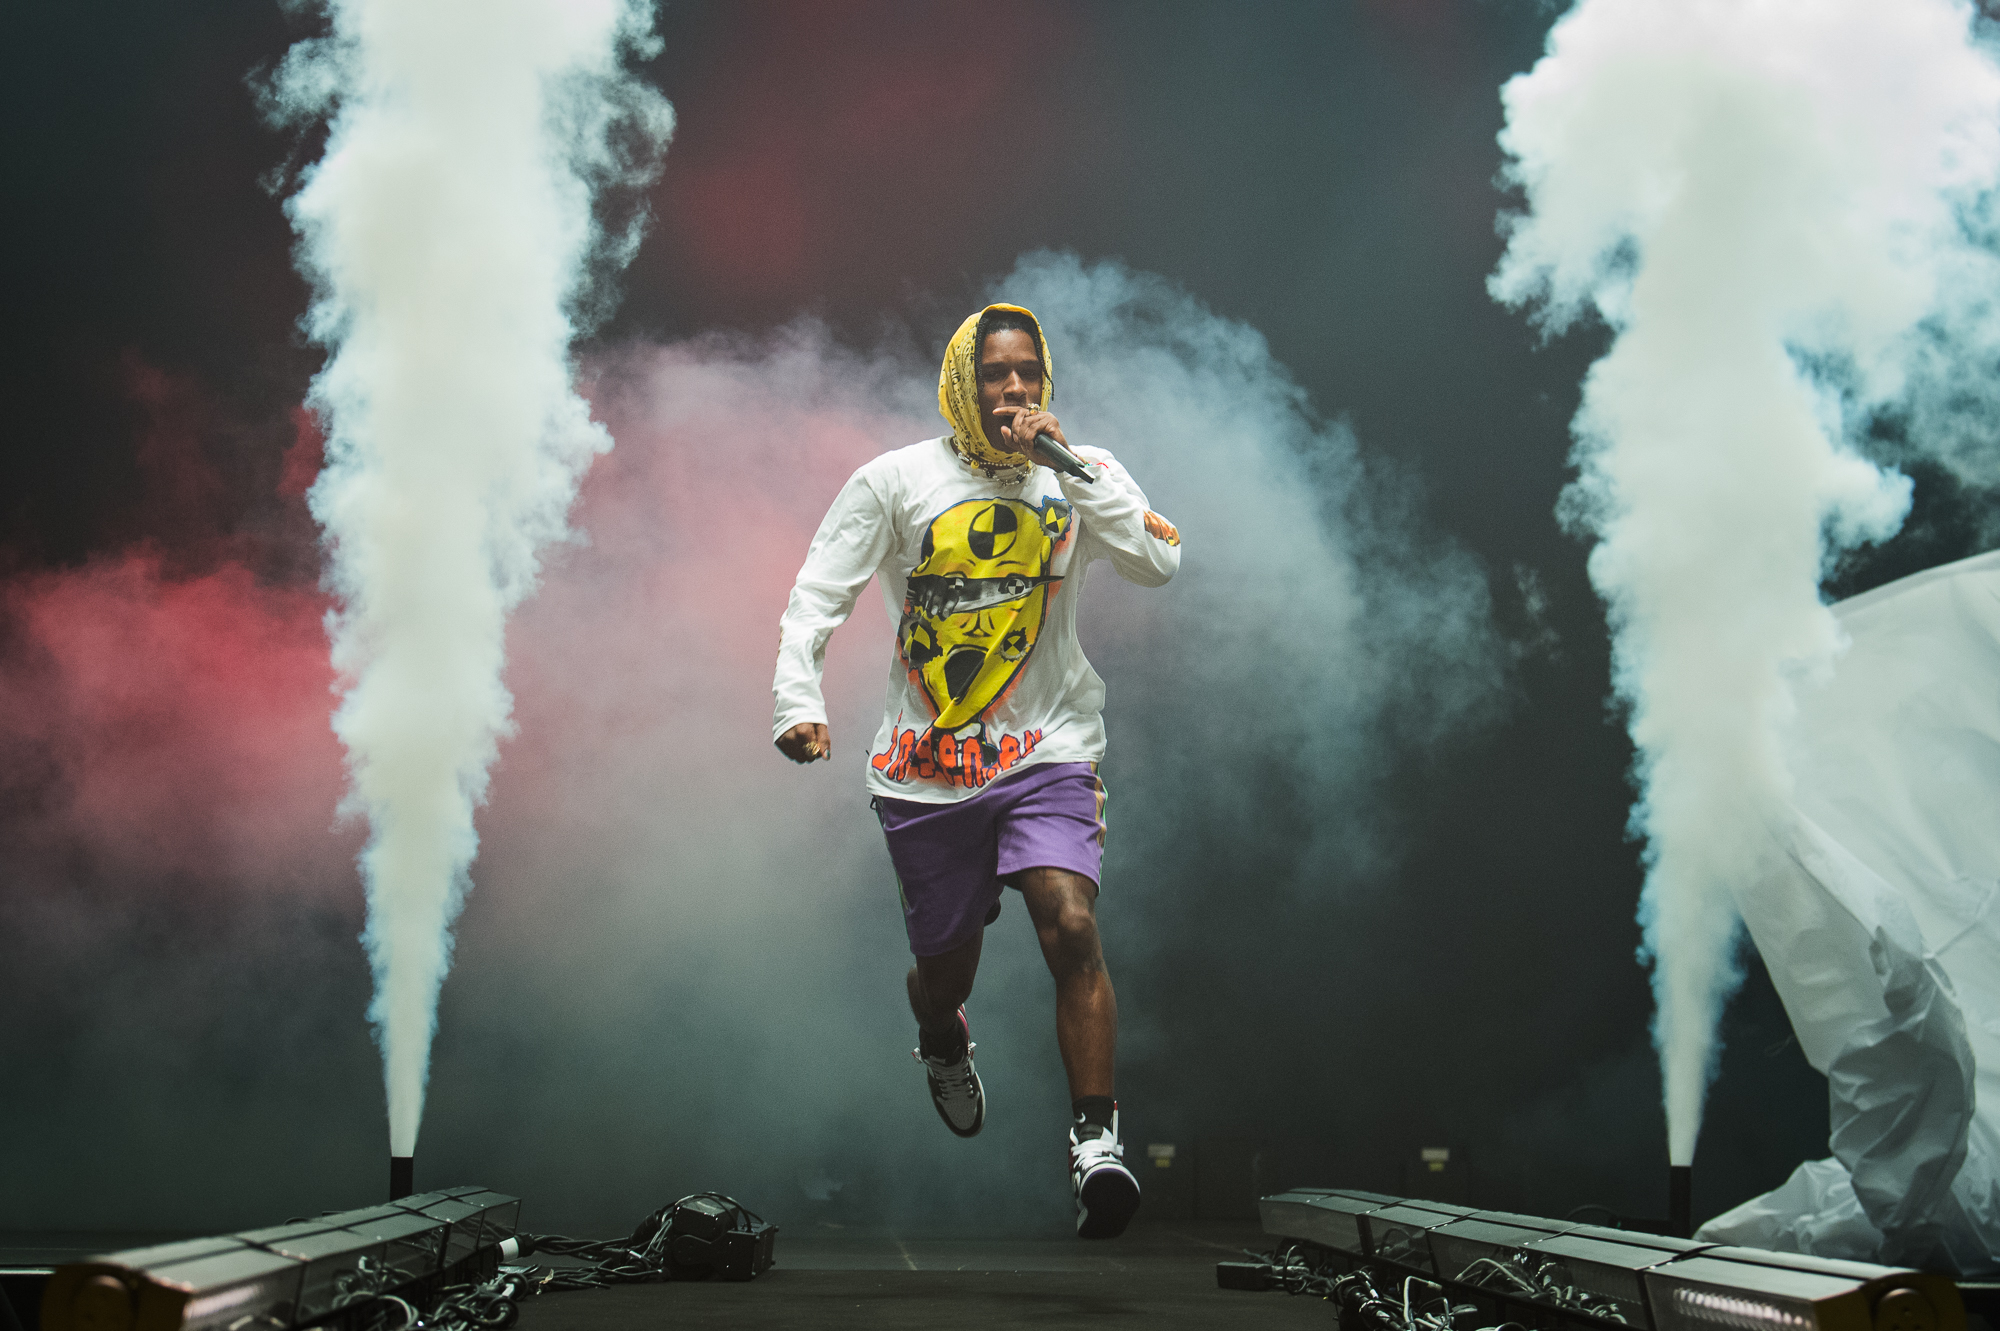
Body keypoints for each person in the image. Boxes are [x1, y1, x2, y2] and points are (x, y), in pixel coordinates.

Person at [771, 303, 1181, 1240]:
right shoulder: (896, 481)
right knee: (945, 972)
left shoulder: (1080, 473)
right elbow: (817, 594)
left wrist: (1070, 469)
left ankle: (1096, 1142)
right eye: (996, 374)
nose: (1014, 390)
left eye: (1028, 372)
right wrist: (798, 701)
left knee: (1070, 921)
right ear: (963, 383)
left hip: (1049, 748)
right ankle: (940, 1033)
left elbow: (1160, 559)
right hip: (929, 770)